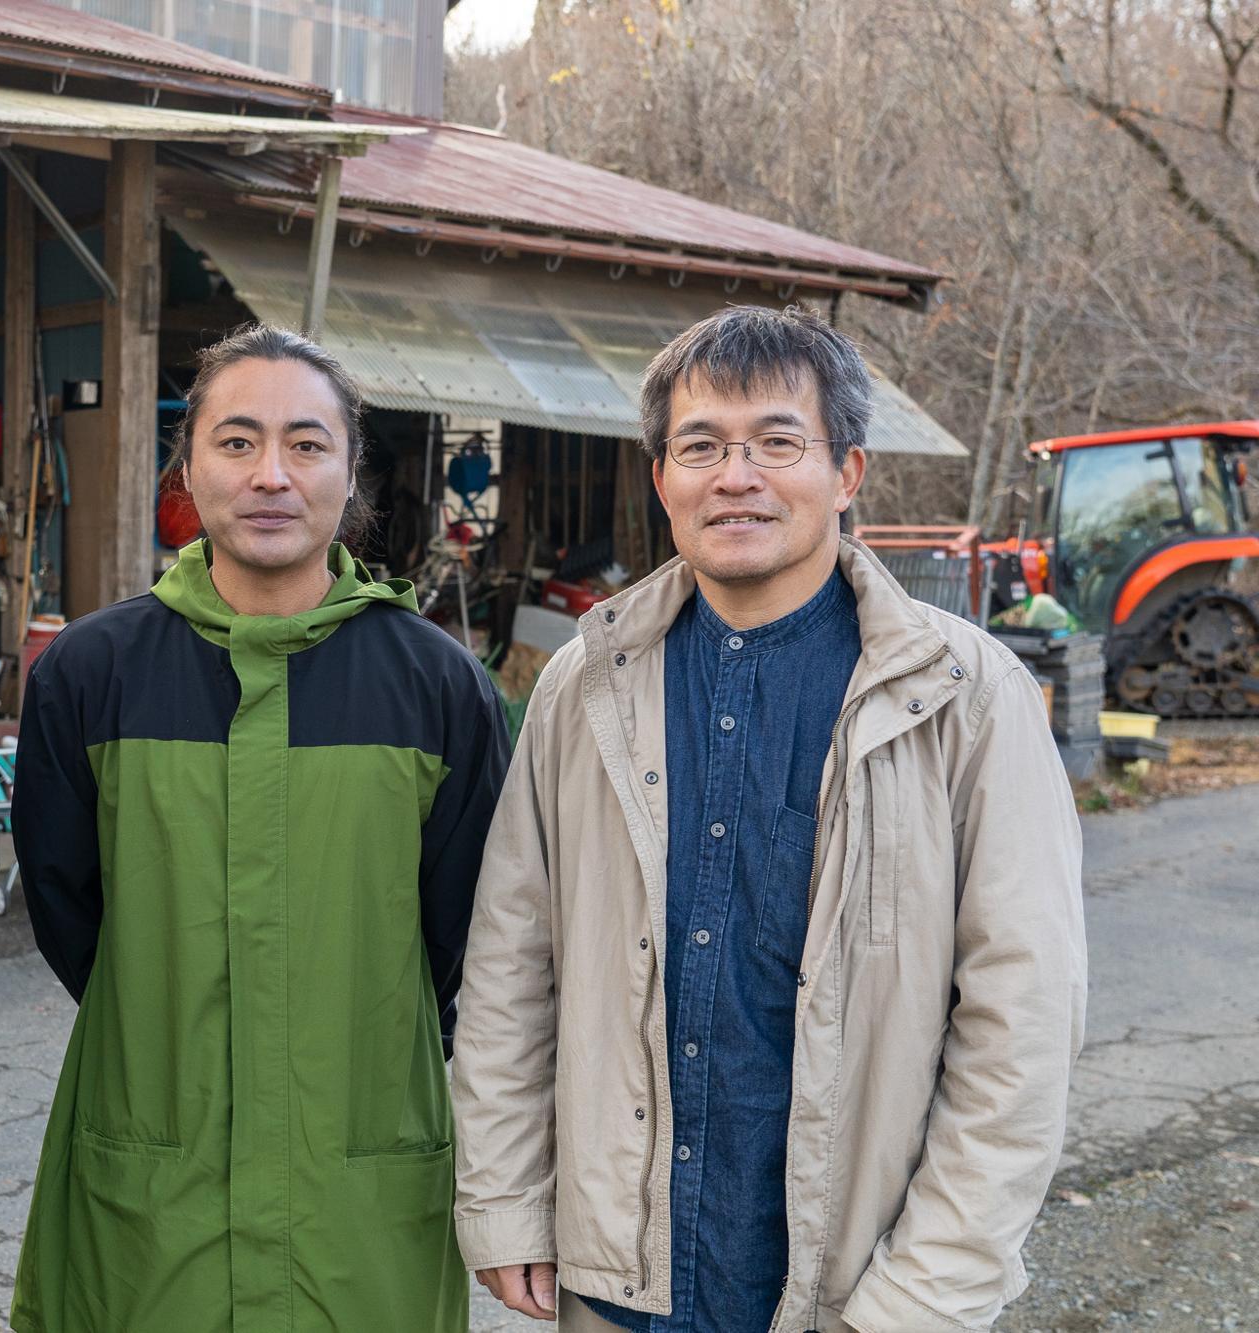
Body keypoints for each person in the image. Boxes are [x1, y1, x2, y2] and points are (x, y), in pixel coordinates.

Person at [454, 305, 1086, 1332]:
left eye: (776, 442)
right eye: (698, 446)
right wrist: (507, 1198)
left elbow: (1020, 1022)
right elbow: (511, 963)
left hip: (856, 1289)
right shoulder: (585, 683)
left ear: (845, 473)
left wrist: (928, 1289)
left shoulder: (960, 692)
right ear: (660, 477)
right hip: (620, 1282)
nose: (733, 475)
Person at [8, 323, 509, 1332]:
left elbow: (474, 943)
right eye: (236, 442)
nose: (269, 474)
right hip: (154, 1173)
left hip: (359, 1178)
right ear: (187, 464)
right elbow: (71, 915)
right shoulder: (90, 676)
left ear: (349, 469)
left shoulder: (436, 687)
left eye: (306, 444)